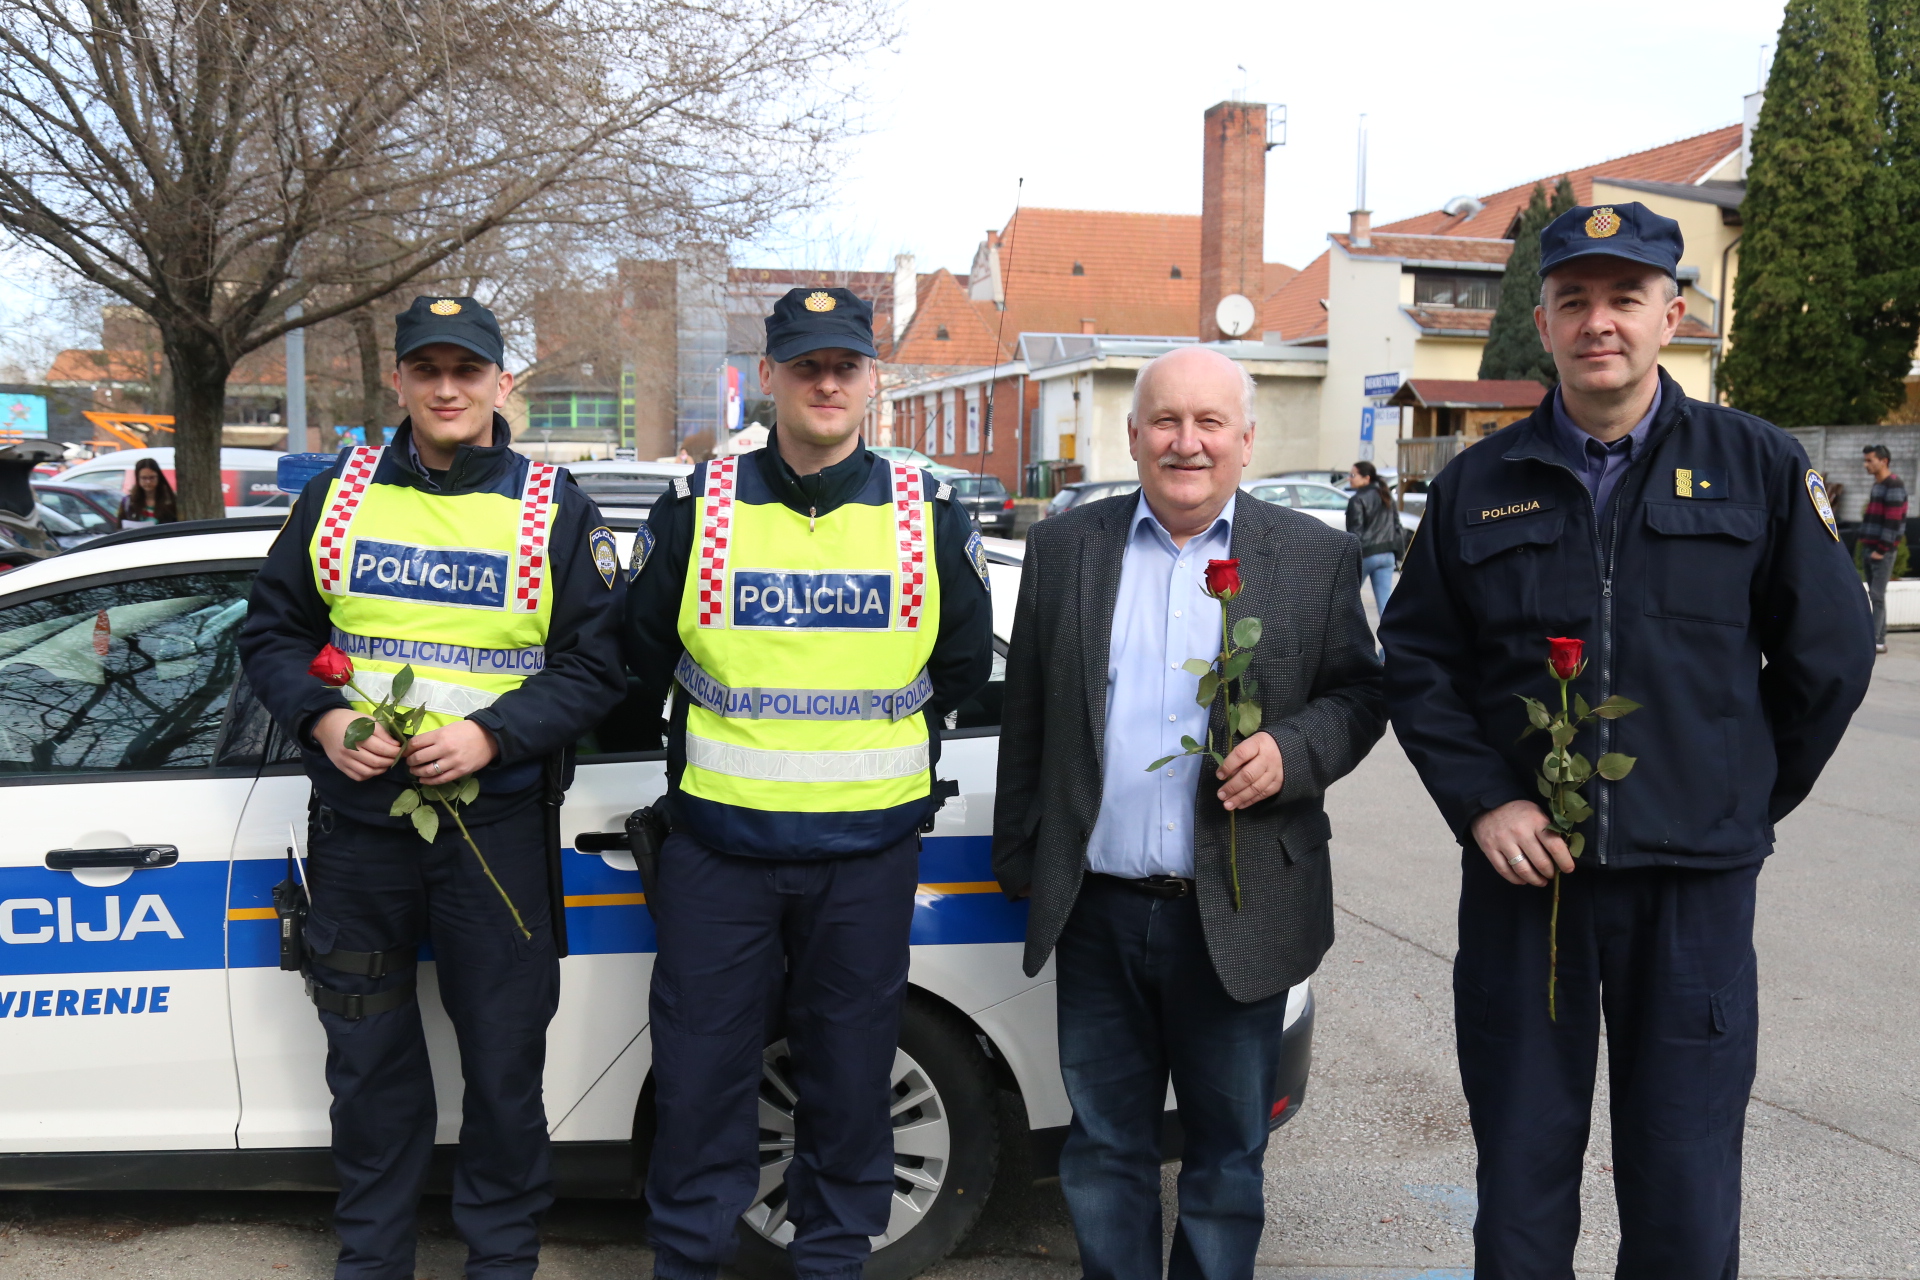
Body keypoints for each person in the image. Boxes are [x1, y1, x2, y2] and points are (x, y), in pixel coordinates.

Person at [1380, 203, 1873, 1278]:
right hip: (1528, 884)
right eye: (1574, 301)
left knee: (1686, 1176)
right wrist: (1483, 799)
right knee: (1519, 1166)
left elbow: (1831, 654)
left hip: (1693, 886)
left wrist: (1734, 795)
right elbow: (1418, 663)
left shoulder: (1756, 465)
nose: (1598, 321)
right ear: (1545, 325)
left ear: (1673, 315)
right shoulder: (1478, 482)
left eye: (1625, 298)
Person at [237, 296, 628, 1280]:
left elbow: (597, 666)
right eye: (428, 368)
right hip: (361, 833)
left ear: (502, 382)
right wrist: (324, 720)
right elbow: (271, 630)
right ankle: (373, 1261)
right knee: (368, 1067)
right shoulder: (341, 491)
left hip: (494, 831)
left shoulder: (551, 505)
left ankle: (501, 1260)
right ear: (400, 381)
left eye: (468, 369)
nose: (447, 387)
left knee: (503, 1066)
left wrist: (492, 735)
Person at [621, 287, 993, 1280]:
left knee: (849, 1082)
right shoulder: (700, 506)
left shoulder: (928, 515)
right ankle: (689, 1261)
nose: (826, 381)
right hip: (719, 857)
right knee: (699, 1083)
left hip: (865, 857)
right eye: (806, 365)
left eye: (845, 365)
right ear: (774, 376)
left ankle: (831, 1260)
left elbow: (958, 670)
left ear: (874, 380)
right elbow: (636, 652)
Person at [992, 345, 1386, 1280]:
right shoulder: (1063, 550)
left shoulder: (1313, 558)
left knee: (1223, 1166)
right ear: (1133, 437)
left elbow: (1362, 697)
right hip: (1097, 909)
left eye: (1211, 423)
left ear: (1246, 440)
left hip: (1241, 913)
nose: (1187, 442)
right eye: (1166, 421)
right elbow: (1030, 723)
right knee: (1104, 1153)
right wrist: (1025, 866)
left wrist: (1294, 753)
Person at [1860, 443, 1907, 655]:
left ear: (1883, 461)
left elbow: (1893, 521)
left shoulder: (1894, 485)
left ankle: (1875, 641)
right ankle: (1879, 639)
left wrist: (1882, 549)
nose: (1865, 465)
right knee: (1876, 595)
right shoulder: (1877, 485)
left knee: (1877, 595)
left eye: (1870, 460)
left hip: (1882, 551)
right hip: (1869, 547)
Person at [1345, 459, 1399, 614]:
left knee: (1347, 599)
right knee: (1385, 604)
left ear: (1366, 478)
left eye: (1353, 475)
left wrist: (1350, 558)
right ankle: (1390, 637)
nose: (1350, 478)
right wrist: (1398, 553)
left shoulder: (1357, 499)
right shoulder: (1385, 495)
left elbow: (1355, 532)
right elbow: (1397, 525)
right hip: (1387, 553)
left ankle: (1347, 637)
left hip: (1367, 554)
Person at [120, 457, 177, 525]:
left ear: (159, 477)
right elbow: (120, 526)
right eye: (144, 478)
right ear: (138, 478)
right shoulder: (129, 503)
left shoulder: (170, 501)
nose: (148, 482)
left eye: (152, 477)